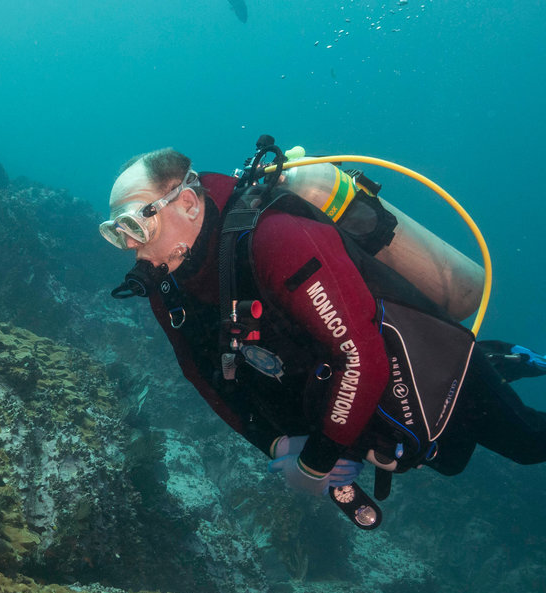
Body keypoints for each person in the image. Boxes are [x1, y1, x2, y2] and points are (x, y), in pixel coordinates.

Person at [101, 148, 546, 523]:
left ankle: (496, 361)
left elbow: (362, 361)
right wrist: (275, 443)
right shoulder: (167, 282)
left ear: (189, 204)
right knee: (449, 461)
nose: (133, 248)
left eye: (138, 226)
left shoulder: (280, 240)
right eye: (117, 233)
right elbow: (202, 376)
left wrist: (314, 465)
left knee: (526, 444)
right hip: (343, 379)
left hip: (422, 360)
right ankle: (503, 361)